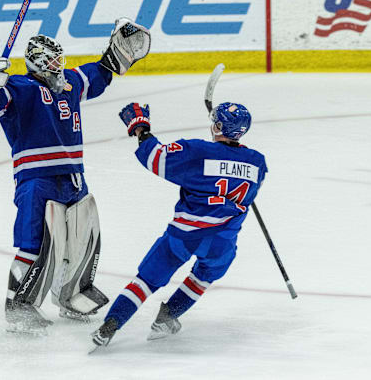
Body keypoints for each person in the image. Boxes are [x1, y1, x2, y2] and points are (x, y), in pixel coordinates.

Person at [0, 19, 151, 333]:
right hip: (37, 180)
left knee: (83, 237)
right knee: (36, 244)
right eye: (50, 61)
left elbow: (101, 72)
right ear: (35, 62)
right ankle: (19, 306)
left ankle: (72, 295)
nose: (57, 66)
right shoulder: (18, 88)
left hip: (74, 177)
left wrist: (116, 51)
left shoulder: (70, 83)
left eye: (58, 60)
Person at [90, 101, 268, 349]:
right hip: (222, 243)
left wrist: (141, 129)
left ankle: (109, 326)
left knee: (147, 281)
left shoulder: (197, 151)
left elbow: (156, 159)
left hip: (185, 235)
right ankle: (167, 318)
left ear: (218, 126)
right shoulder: (258, 163)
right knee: (203, 276)